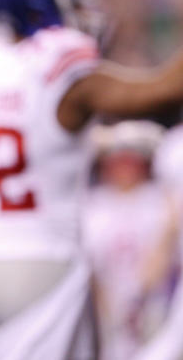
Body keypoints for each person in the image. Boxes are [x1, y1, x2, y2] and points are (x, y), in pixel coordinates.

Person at [0, 0, 183, 360]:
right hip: (39, 265)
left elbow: (30, 136)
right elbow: (164, 90)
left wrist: (104, 142)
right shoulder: (62, 66)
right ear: (43, 8)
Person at [82, 121, 183, 360]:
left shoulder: (159, 201)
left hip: (157, 305)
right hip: (108, 309)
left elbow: (167, 250)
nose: (124, 168)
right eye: (117, 159)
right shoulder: (91, 205)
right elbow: (89, 270)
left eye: (131, 160)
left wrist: (141, 293)